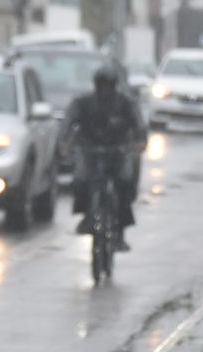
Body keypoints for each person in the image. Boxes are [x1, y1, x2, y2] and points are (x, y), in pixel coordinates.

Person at [59, 66, 147, 251]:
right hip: (90, 151)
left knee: (125, 183)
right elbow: (68, 121)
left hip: (118, 152)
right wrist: (65, 142)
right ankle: (85, 215)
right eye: (102, 85)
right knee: (81, 180)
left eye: (109, 85)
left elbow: (138, 124)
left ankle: (120, 231)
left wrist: (139, 141)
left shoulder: (125, 103)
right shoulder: (83, 103)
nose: (105, 90)